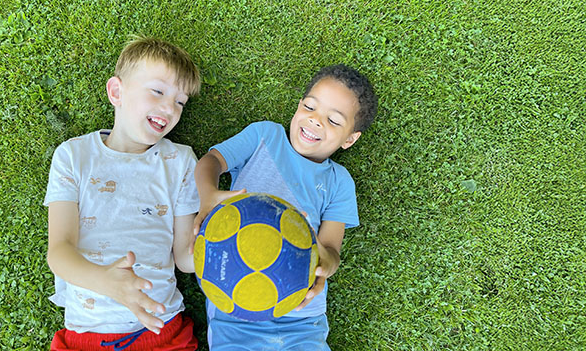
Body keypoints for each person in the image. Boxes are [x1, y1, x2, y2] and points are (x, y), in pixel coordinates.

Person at [192, 64, 377, 350]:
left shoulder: (339, 182)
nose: (315, 121)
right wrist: (208, 195)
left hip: (302, 317)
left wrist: (323, 264)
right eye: (310, 107)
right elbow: (211, 161)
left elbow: (331, 251)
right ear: (298, 105)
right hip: (236, 312)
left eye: (334, 120)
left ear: (350, 139)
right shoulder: (264, 136)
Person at [44, 37, 203, 351]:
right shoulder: (74, 156)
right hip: (88, 336)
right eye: (158, 91)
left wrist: (233, 246)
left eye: (180, 101)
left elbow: (185, 257)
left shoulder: (181, 161)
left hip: (162, 330)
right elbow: (59, 252)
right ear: (116, 91)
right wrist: (108, 283)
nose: (170, 108)